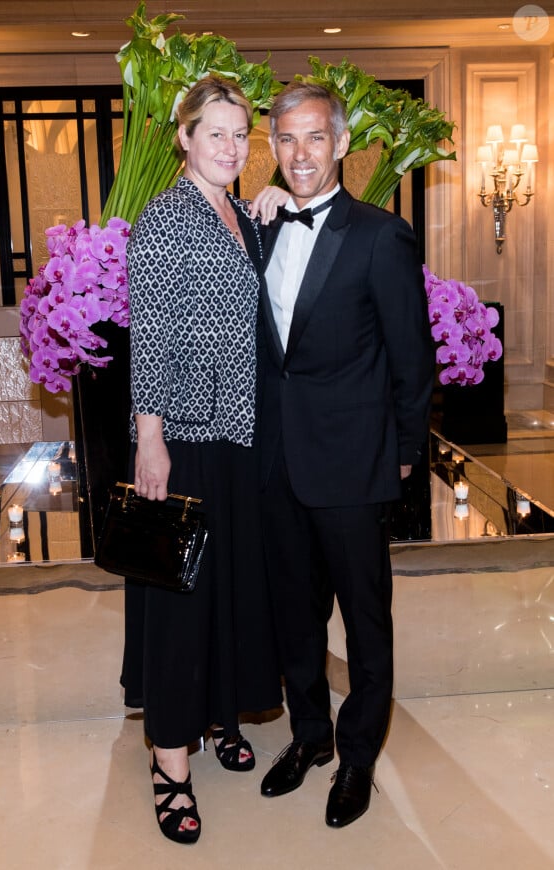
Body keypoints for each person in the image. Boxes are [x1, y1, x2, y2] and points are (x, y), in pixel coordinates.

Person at [258, 81, 435, 828]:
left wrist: (400, 453)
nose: (301, 154)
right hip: (275, 460)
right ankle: (310, 737)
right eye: (287, 140)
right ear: (271, 149)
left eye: (315, 139)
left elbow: (413, 357)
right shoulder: (255, 227)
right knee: (293, 616)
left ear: (340, 145)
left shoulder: (379, 234)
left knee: (364, 621)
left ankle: (359, 755)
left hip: (354, 461)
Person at [121, 75, 285, 845]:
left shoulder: (241, 216)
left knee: (227, 584)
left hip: (238, 434)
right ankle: (169, 763)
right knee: (181, 598)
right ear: (183, 138)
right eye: (214, 132)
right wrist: (148, 439)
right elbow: (147, 339)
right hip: (182, 436)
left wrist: (276, 208)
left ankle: (219, 713)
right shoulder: (162, 219)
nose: (231, 147)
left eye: (240, 134)